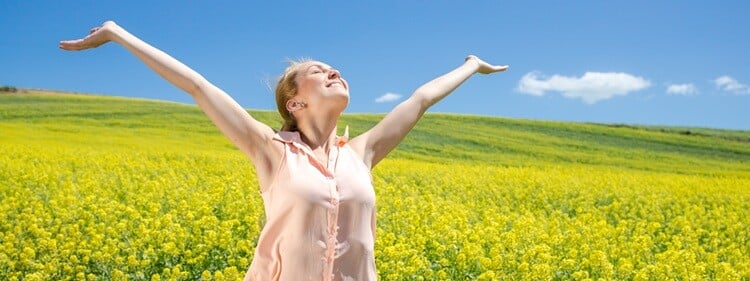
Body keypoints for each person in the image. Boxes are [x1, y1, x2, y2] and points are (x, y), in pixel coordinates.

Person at [60, 20, 508, 281]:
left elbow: (420, 99)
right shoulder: (271, 151)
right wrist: (118, 34)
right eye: (318, 71)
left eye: (336, 69)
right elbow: (197, 85)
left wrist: (470, 66)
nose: (334, 70)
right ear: (295, 102)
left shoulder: (361, 153)